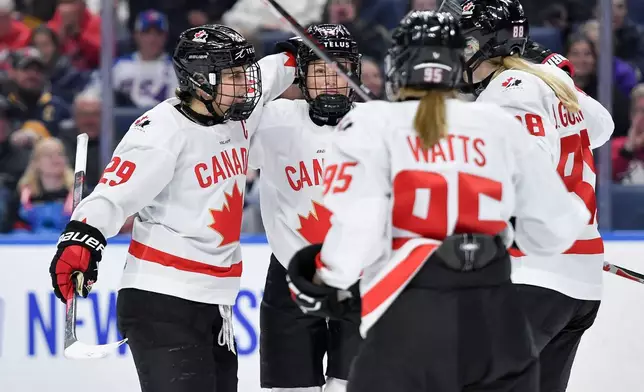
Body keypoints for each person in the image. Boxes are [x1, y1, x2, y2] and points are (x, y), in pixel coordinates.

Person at [285, 10, 590, 392]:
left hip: (408, 319)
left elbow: (359, 226)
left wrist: (324, 279)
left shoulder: (369, 124)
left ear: (399, 64)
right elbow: (554, 232)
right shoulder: (498, 125)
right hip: (498, 321)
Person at [48, 24, 296, 392]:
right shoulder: (162, 129)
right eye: (233, 76)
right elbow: (114, 193)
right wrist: (81, 239)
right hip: (162, 300)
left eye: (244, 74)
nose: (246, 84)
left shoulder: (235, 109)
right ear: (201, 80)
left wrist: (300, 51)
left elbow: (270, 73)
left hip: (213, 302)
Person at [458, 1, 614, 391]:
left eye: (465, 43)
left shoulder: (507, 91)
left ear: (489, 45)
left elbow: (526, 176)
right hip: (579, 281)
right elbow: (601, 127)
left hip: (534, 275)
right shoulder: (545, 82)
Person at [250, 24, 362, 392]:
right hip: (290, 276)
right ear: (301, 75)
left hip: (362, 279)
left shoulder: (378, 126)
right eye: (319, 68)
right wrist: (284, 60)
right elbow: (237, 96)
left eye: (339, 67)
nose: (331, 79)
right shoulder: (274, 120)